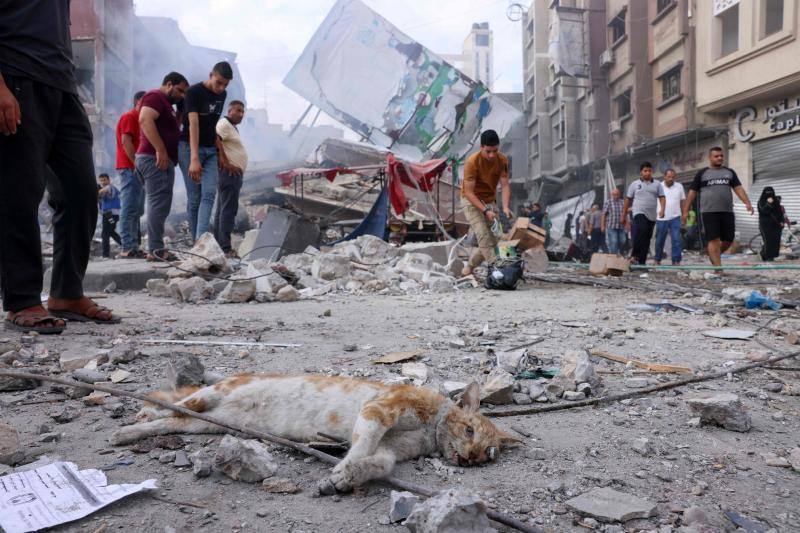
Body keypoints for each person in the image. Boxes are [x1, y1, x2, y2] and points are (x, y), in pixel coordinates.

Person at [0, 0, 117, 333]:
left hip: (62, 84)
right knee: (19, 193)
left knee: (81, 191)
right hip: (16, 74)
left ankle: (66, 293)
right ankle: (22, 300)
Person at [136, 72, 189, 262]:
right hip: (154, 159)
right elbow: (144, 119)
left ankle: (156, 247)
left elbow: (172, 127)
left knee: (161, 204)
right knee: (157, 205)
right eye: (180, 91)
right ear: (168, 84)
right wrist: (161, 149)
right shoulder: (155, 96)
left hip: (158, 160)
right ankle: (156, 250)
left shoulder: (167, 104)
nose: (181, 95)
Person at [178, 62, 233, 243]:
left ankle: (201, 242)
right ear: (211, 75)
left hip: (210, 150)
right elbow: (194, 124)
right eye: (219, 82)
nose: (221, 88)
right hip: (189, 148)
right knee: (194, 199)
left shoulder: (222, 95)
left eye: (225, 84)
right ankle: (196, 244)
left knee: (209, 193)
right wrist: (194, 158)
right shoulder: (193, 93)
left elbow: (212, 125)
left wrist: (221, 154)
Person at [683, 147, 754, 268]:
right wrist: (685, 211)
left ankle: (714, 254)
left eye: (721, 156)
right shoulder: (702, 173)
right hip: (709, 212)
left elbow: (738, 188)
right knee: (713, 239)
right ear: (710, 158)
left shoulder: (729, 172)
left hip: (727, 211)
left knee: (729, 239)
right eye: (716, 156)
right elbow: (692, 192)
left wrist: (747, 203)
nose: (720, 158)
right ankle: (718, 268)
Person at [460, 129, 513, 276]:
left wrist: (506, 207)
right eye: (488, 151)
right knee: (482, 234)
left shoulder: (502, 160)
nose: (492, 155)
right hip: (471, 200)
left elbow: (505, 185)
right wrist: (485, 211)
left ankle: (469, 268)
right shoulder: (471, 162)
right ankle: (498, 270)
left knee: (493, 239)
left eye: (495, 151)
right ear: (481, 147)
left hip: (490, 201)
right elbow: (469, 192)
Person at [213, 100, 247, 257]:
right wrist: (226, 163)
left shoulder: (232, 127)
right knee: (228, 210)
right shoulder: (224, 123)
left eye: (242, 111)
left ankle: (219, 245)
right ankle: (225, 248)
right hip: (230, 174)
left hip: (232, 175)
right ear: (229, 110)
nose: (241, 114)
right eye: (237, 110)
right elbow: (215, 138)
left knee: (222, 210)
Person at [116, 90, 146, 258]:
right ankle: (127, 247)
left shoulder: (141, 119)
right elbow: (126, 142)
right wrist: (137, 164)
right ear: (137, 102)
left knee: (137, 209)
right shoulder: (130, 117)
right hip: (130, 168)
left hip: (136, 169)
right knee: (129, 208)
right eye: (144, 102)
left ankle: (133, 245)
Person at [622, 162, 666, 265]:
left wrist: (663, 210)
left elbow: (662, 197)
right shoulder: (634, 184)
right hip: (638, 211)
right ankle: (634, 255)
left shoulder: (657, 184)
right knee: (642, 229)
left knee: (647, 238)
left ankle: (642, 262)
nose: (647, 173)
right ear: (641, 172)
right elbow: (628, 200)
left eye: (649, 171)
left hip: (652, 215)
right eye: (645, 171)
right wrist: (623, 214)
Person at [654, 168, 686, 265]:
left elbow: (682, 201)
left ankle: (676, 260)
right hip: (661, 218)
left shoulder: (679, 186)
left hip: (675, 217)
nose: (671, 179)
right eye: (669, 177)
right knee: (660, 240)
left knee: (676, 239)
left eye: (673, 177)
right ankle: (657, 259)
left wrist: (684, 214)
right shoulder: (658, 186)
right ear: (664, 177)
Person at [97, 173, 121, 258]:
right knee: (110, 232)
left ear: (109, 180)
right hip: (109, 215)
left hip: (110, 215)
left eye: (105, 180)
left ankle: (105, 255)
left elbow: (101, 192)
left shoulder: (110, 187)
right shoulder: (103, 189)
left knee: (105, 234)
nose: (103, 182)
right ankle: (126, 246)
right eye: (101, 180)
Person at [757, 186, 783, 261]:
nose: (769, 195)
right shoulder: (761, 201)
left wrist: (781, 222)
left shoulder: (776, 201)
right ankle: (767, 256)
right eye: (767, 193)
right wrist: (768, 203)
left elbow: (780, 212)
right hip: (765, 225)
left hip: (776, 225)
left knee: (775, 241)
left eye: (771, 193)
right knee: (768, 241)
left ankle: (771, 256)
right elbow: (763, 211)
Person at [601, 188, 626, 254]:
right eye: (614, 195)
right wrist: (602, 226)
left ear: (619, 194)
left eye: (617, 194)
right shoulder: (608, 202)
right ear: (612, 195)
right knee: (614, 241)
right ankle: (613, 255)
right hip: (611, 226)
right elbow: (603, 214)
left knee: (623, 240)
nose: (616, 196)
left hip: (621, 226)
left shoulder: (622, 202)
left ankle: (619, 252)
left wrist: (627, 224)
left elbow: (625, 214)